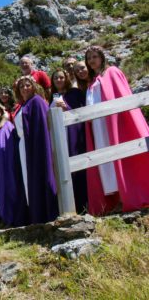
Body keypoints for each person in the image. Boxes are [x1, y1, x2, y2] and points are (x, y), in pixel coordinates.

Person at [84, 46, 149, 215]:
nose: (92, 60)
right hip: (99, 127)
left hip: (113, 123)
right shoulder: (92, 81)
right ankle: (118, 199)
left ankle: (128, 196)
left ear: (102, 57)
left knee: (120, 158)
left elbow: (122, 95)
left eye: (95, 56)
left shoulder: (112, 72)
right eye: (89, 57)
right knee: (107, 164)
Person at [14, 76, 58, 224]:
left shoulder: (37, 101)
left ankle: (45, 213)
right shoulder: (24, 105)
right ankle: (36, 214)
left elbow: (41, 128)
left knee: (40, 176)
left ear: (33, 86)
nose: (25, 88)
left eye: (27, 85)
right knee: (29, 181)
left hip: (35, 145)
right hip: (24, 146)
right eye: (21, 87)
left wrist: (38, 147)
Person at [50, 69, 87, 213]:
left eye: (61, 77)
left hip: (74, 136)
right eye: (55, 78)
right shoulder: (53, 97)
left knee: (77, 171)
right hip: (59, 140)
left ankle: (83, 205)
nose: (58, 80)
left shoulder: (75, 93)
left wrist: (67, 108)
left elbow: (80, 113)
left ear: (66, 78)